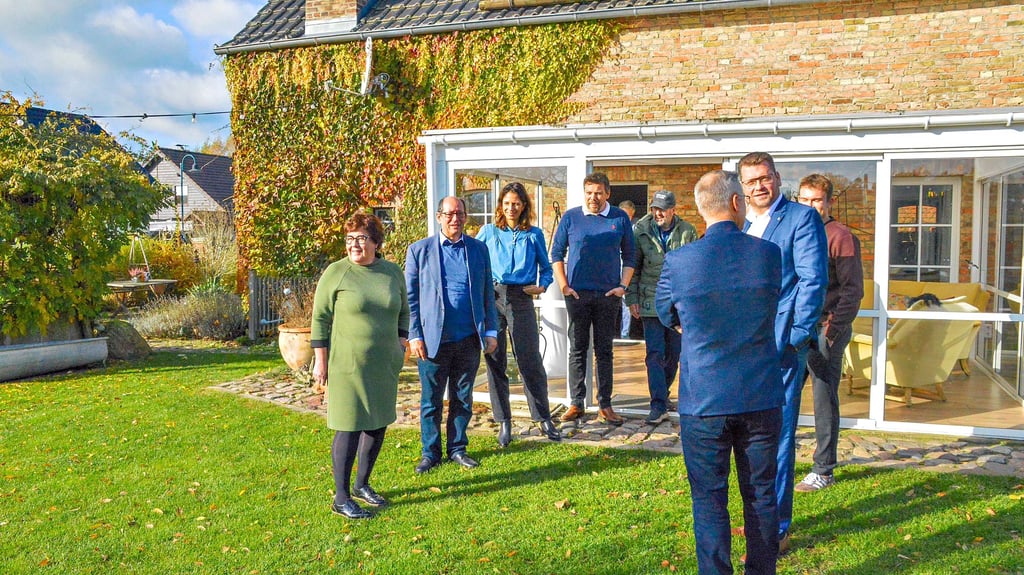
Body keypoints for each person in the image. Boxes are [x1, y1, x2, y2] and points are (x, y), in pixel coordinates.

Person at [656, 170, 784, 575]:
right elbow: (770, 302)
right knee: (761, 496)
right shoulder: (768, 254)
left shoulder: (678, 261)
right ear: (735, 203)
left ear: (699, 209)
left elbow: (663, 310)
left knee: (709, 500)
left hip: (704, 398)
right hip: (760, 394)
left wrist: (690, 326)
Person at [739, 152, 828, 553]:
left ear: (777, 179)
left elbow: (812, 280)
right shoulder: (743, 224)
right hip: (743, 347)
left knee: (778, 436)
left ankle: (776, 528)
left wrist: (795, 335)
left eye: (764, 178)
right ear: (742, 188)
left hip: (780, 348)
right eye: (750, 181)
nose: (758, 186)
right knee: (747, 437)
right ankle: (756, 519)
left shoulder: (801, 218)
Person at [311, 213, 409, 520]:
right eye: (350, 238)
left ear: (376, 242)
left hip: (383, 364)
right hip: (347, 366)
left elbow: (404, 311)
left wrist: (401, 343)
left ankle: (362, 485)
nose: (354, 244)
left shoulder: (392, 272)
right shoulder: (336, 272)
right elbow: (320, 318)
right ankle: (341, 498)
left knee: (377, 423)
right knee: (349, 426)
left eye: (361, 238)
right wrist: (320, 360)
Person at [405, 196, 499, 473]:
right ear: (439, 217)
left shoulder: (478, 250)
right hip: (433, 340)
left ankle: (457, 448)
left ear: (466, 216)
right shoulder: (419, 251)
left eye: (459, 213)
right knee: (431, 400)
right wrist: (414, 335)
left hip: (468, 338)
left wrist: (490, 331)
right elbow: (410, 299)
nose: (454, 219)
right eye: (448, 214)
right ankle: (430, 453)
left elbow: (487, 295)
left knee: (462, 397)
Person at [476, 182, 562, 446]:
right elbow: (473, 260)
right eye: (506, 203)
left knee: (530, 361)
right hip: (493, 298)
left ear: (524, 206)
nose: (511, 208)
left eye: (516, 203)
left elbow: (546, 269)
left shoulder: (534, 234)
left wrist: (542, 285)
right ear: (500, 206)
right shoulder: (488, 232)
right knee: (495, 360)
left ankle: (543, 417)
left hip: (522, 298)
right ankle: (504, 422)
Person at [795, 174, 864, 492]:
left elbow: (852, 291)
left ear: (829, 202)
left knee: (824, 400)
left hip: (825, 329)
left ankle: (824, 468)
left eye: (817, 200)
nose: (810, 206)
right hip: (796, 329)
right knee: (786, 396)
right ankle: (781, 457)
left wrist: (832, 332)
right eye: (805, 199)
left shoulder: (840, 236)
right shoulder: (797, 231)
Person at [550, 172, 636, 425]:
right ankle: (576, 403)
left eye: (598, 193)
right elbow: (556, 253)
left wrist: (622, 286)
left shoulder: (619, 218)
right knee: (577, 350)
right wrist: (564, 286)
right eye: (589, 193)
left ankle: (605, 405)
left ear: (608, 193)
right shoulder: (571, 217)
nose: (593, 198)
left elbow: (630, 256)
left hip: (608, 296)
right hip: (577, 294)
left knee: (605, 351)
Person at [627, 190, 698, 424]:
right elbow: (633, 267)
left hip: (678, 305)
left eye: (662, 209)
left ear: (673, 210)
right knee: (654, 354)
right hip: (650, 301)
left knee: (674, 355)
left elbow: (693, 270)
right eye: (654, 209)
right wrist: (632, 298)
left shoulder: (687, 232)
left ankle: (663, 394)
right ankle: (657, 405)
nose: (658, 213)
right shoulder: (640, 231)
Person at [618, 200, 638, 338]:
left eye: (629, 216)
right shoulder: (612, 224)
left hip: (627, 264)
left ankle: (624, 334)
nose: (627, 218)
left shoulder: (636, 228)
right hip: (614, 263)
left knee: (626, 298)